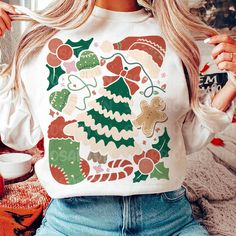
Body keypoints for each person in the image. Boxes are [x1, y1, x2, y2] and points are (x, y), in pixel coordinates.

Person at [0, 0, 236, 235]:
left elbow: (187, 139)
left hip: (168, 221)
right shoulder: (42, 35)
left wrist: (233, 82)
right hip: (73, 223)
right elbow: (17, 135)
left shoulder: (174, 36)